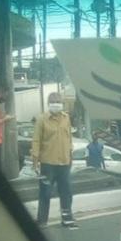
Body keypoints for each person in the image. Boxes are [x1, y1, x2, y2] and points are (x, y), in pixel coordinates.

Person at [32, 92, 77, 228]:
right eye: (53, 102)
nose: (56, 105)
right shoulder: (41, 119)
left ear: (62, 104)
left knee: (66, 193)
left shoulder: (66, 118)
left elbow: (69, 138)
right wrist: (35, 161)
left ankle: (67, 219)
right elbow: (36, 140)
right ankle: (42, 220)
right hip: (47, 163)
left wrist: (70, 156)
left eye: (58, 102)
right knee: (45, 193)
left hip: (64, 163)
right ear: (48, 104)